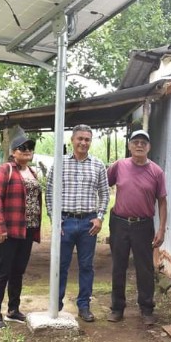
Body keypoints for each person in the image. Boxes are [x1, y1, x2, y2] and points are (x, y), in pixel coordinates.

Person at [46, 124, 109, 322]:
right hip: (64, 222)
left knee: (86, 266)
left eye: (87, 139)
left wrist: (99, 217)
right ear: (72, 140)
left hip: (88, 224)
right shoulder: (59, 162)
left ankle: (84, 306)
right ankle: (56, 305)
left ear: (90, 142)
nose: (83, 142)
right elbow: (49, 192)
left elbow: (105, 194)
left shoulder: (98, 165)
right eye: (79, 138)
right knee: (60, 265)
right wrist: (54, 220)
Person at [106, 129, 167, 326]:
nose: (139, 145)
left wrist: (162, 229)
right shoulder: (119, 166)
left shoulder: (156, 171)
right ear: (129, 145)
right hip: (119, 223)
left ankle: (147, 309)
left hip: (143, 225)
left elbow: (162, 201)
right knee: (119, 266)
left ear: (149, 147)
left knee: (145, 268)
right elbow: (102, 185)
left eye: (143, 142)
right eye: (135, 142)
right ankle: (117, 309)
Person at [0, 128, 42, 330]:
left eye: (30, 147)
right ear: (13, 152)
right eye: (23, 147)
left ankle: (13, 309)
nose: (27, 150)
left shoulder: (32, 172)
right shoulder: (6, 169)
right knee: (3, 271)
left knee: (18, 271)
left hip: (27, 229)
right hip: (8, 230)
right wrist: (0, 228)